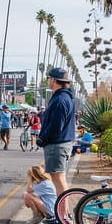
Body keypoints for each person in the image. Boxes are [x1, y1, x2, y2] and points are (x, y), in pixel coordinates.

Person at [36, 68, 77, 196]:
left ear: (53, 80)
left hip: (57, 145)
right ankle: (63, 213)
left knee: (58, 180)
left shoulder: (60, 100)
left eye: (49, 78)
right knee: (60, 179)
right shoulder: (65, 97)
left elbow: (55, 126)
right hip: (62, 143)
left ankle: (63, 214)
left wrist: (42, 139)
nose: (48, 81)